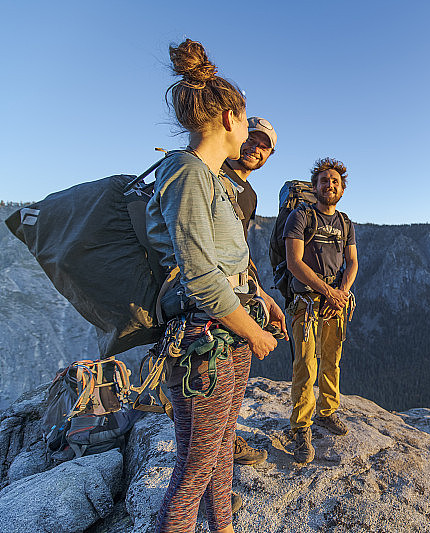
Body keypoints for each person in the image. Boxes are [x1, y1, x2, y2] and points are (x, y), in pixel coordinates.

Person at [146, 39, 282, 533]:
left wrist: (262, 299)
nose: (248, 131)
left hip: (225, 336)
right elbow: (201, 276)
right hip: (204, 343)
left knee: (222, 447)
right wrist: (254, 332)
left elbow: (230, 261)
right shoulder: (185, 174)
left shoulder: (215, 179)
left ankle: (222, 526)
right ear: (229, 118)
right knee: (193, 468)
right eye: (246, 120)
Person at [284, 157, 358, 464]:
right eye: (324, 180)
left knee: (332, 360)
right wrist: (329, 292)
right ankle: (301, 426)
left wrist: (341, 293)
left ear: (342, 189)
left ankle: (328, 411)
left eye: (335, 181)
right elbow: (294, 262)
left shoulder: (345, 223)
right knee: (306, 364)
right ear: (314, 187)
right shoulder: (300, 218)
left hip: (334, 305)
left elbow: (352, 262)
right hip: (308, 304)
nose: (330, 185)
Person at [220, 116, 284, 465]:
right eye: (252, 139)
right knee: (216, 388)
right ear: (237, 134)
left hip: (237, 294)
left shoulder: (250, 195)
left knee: (233, 386)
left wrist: (262, 295)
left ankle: (226, 445)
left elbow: (238, 252)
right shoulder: (210, 174)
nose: (255, 148)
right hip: (208, 302)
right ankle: (206, 471)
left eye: (264, 146)